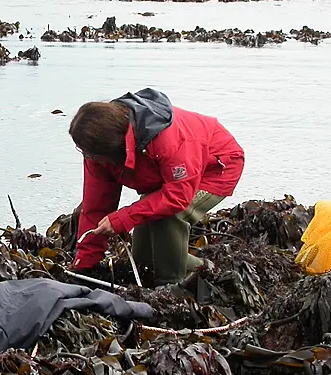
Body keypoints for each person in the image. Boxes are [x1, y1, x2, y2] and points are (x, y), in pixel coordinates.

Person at [69, 88, 245, 285]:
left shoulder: (166, 139)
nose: (88, 158)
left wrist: (122, 218)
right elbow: (96, 206)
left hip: (216, 167)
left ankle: (171, 285)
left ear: (111, 145)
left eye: (90, 154)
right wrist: (84, 263)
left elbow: (177, 196)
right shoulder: (95, 152)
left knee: (169, 218)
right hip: (168, 175)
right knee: (145, 255)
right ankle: (197, 270)